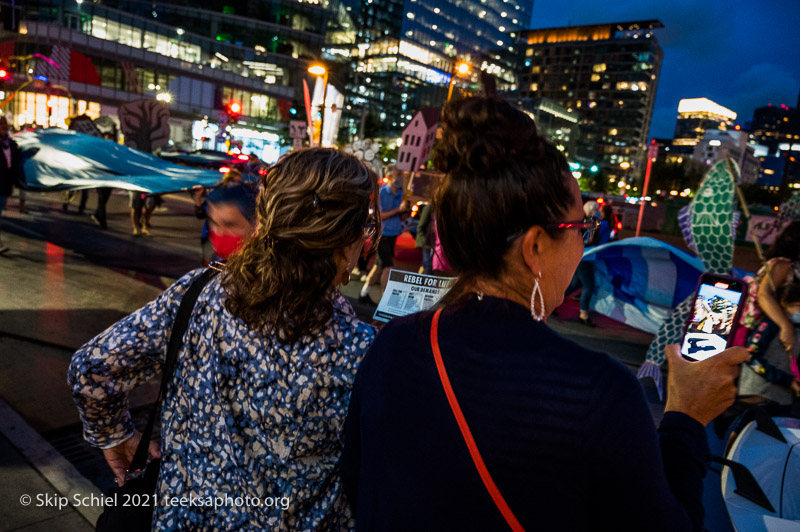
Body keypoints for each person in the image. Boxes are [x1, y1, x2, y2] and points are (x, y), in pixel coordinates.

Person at [340, 97, 748, 531]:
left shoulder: (395, 343)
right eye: (581, 231)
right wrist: (686, 417)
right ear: (535, 247)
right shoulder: (596, 391)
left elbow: (358, 482)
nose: (585, 247)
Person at [68, 148, 381, 531]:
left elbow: (92, 369)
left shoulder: (197, 293)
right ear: (348, 239)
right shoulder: (362, 348)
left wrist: (118, 438)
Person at [736, 221, 800, 351]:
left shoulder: (787, 266)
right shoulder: (782, 265)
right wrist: (785, 326)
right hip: (754, 330)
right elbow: (764, 295)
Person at [738, 282, 800, 405]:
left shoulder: (795, 329)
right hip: (754, 397)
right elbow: (751, 357)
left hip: (779, 400)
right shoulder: (769, 325)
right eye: (799, 306)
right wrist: (787, 381)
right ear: (784, 304)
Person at [358, 169, 408, 305]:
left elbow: (403, 216)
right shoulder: (381, 194)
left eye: (401, 176)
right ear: (390, 176)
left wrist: (405, 209)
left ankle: (364, 294)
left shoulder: (401, 194)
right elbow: (379, 215)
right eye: (398, 175)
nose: (400, 179)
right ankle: (385, 300)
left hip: (393, 234)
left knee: (378, 266)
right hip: (382, 235)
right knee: (388, 266)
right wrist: (398, 210)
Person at [564, 200, 604, 326]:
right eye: (598, 208)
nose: (599, 210)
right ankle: (583, 314)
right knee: (588, 285)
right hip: (585, 257)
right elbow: (590, 240)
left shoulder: (581, 221)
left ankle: (552, 303)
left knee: (576, 284)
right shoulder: (594, 222)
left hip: (578, 256)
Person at [194, 169, 244, 265]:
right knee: (208, 266)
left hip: (234, 244)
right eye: (234, 181)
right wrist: (198, 197)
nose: (237, 184)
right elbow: (200, 214)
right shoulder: (217, 196)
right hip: (209, 237)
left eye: (239, 182)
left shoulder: (242, 199)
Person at [0, 116, 24, 255]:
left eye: (5, 124)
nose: (4, 126)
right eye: (1, 124)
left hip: (5, 187)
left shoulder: (12, 145)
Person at [415, 203, 434, 275]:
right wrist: (423, 242)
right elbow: (421, 226)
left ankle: (418, 280)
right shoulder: (429, 208)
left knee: (425, 263)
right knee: (428, 265)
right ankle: (425, 284)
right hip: (427, 241)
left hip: (433, 242)